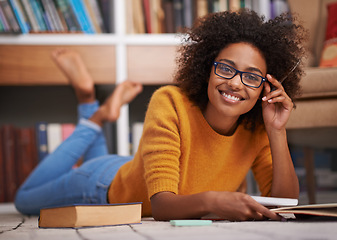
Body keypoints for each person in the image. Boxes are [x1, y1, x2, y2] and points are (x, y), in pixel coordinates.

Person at [15, 9, 307, 221]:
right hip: (102, 187)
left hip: (134, 169)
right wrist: (216, 201)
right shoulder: (170, 103)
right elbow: (163, 206)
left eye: (252, 77)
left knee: (101, 162)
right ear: (208, 69)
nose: (235, 82)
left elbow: (284, 205)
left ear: (264, 89)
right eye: (226, 68)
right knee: (24, 200)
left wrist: (277, 131)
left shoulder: (258, 129)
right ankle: (93, 114)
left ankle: (95, 106)